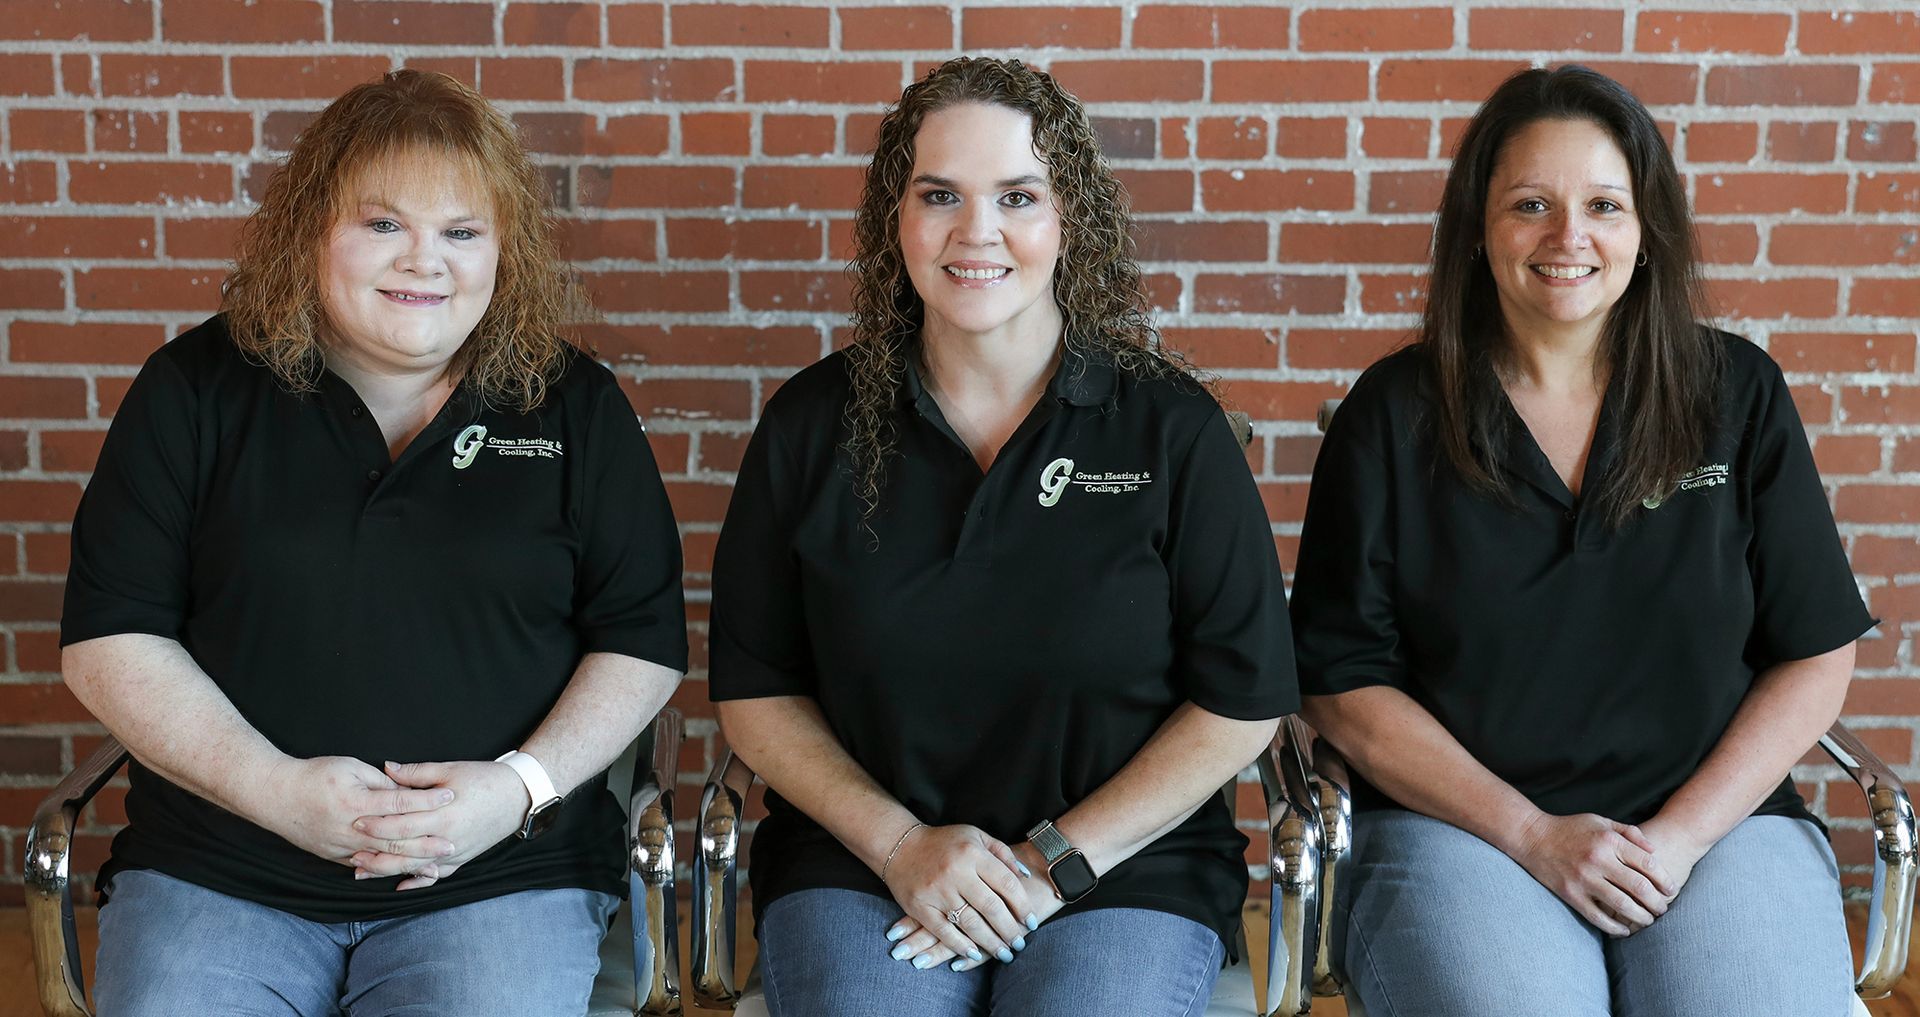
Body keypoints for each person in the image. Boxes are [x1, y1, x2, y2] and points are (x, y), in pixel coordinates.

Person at [59, 70, 687, 1016]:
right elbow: (111, 638)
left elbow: (641, 639)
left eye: (461, 232)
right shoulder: (194, 390)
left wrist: (515, 789)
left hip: (499, 876)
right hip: (222, 870)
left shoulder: (574, 405)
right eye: (384, 223)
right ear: (311, 229)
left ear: (503, 251)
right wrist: (274, 791)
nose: (424, 261)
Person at [707, 57, 1298, 1016]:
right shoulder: (811, 426)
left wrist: (1047, 861)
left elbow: (1241, 702)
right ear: (896, 218)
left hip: (1122, 866)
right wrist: (903, 847)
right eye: (940, 194)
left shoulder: (1170, 428)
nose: (976, 231)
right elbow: (757, 692)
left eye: (1017, 196)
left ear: (1069, 219)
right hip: (861, 863)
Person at [1290, 64, 1870, 1016]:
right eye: (1531, 205)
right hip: (1464, 831)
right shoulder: (1391, 417)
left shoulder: (1737, 394)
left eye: (1604, 204)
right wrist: (1532, 834)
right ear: (1478, 228)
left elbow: (1815, 650)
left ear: (1647, 232)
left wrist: (1679, 839)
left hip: (1717, 829)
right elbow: (1341, 685)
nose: (1569, 237)